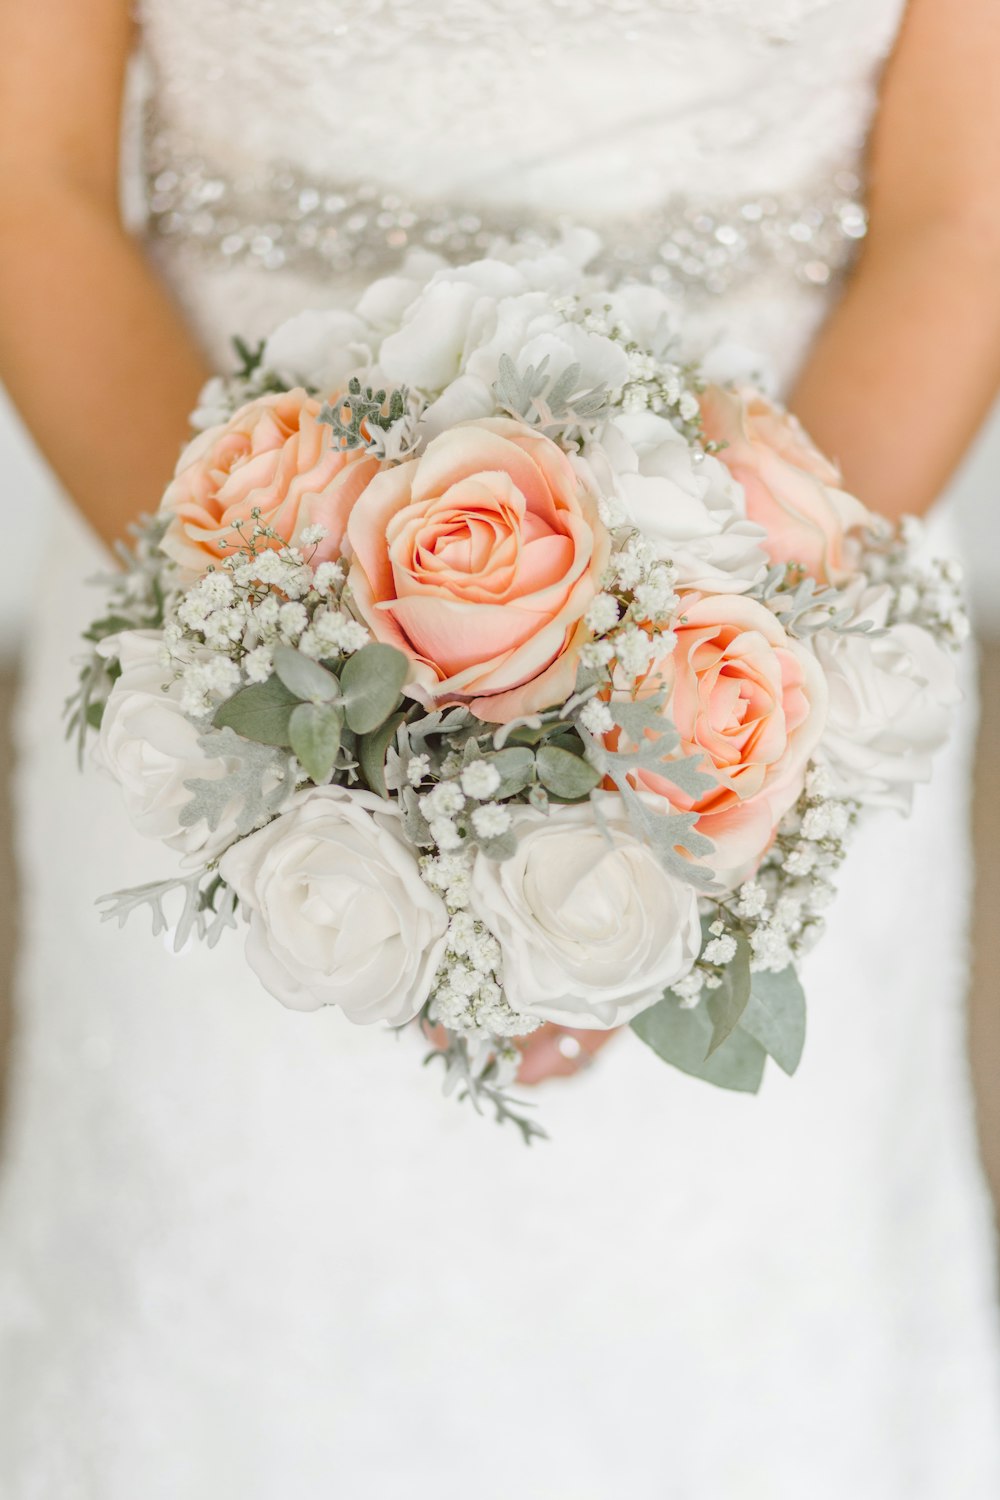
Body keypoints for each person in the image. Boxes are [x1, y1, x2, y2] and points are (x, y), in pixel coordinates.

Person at [1, 1, 999, 1495]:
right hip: (194, 580)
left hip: (780, 627)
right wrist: (291, 710)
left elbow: (962, 216)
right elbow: (31, 183)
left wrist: (722, 700)